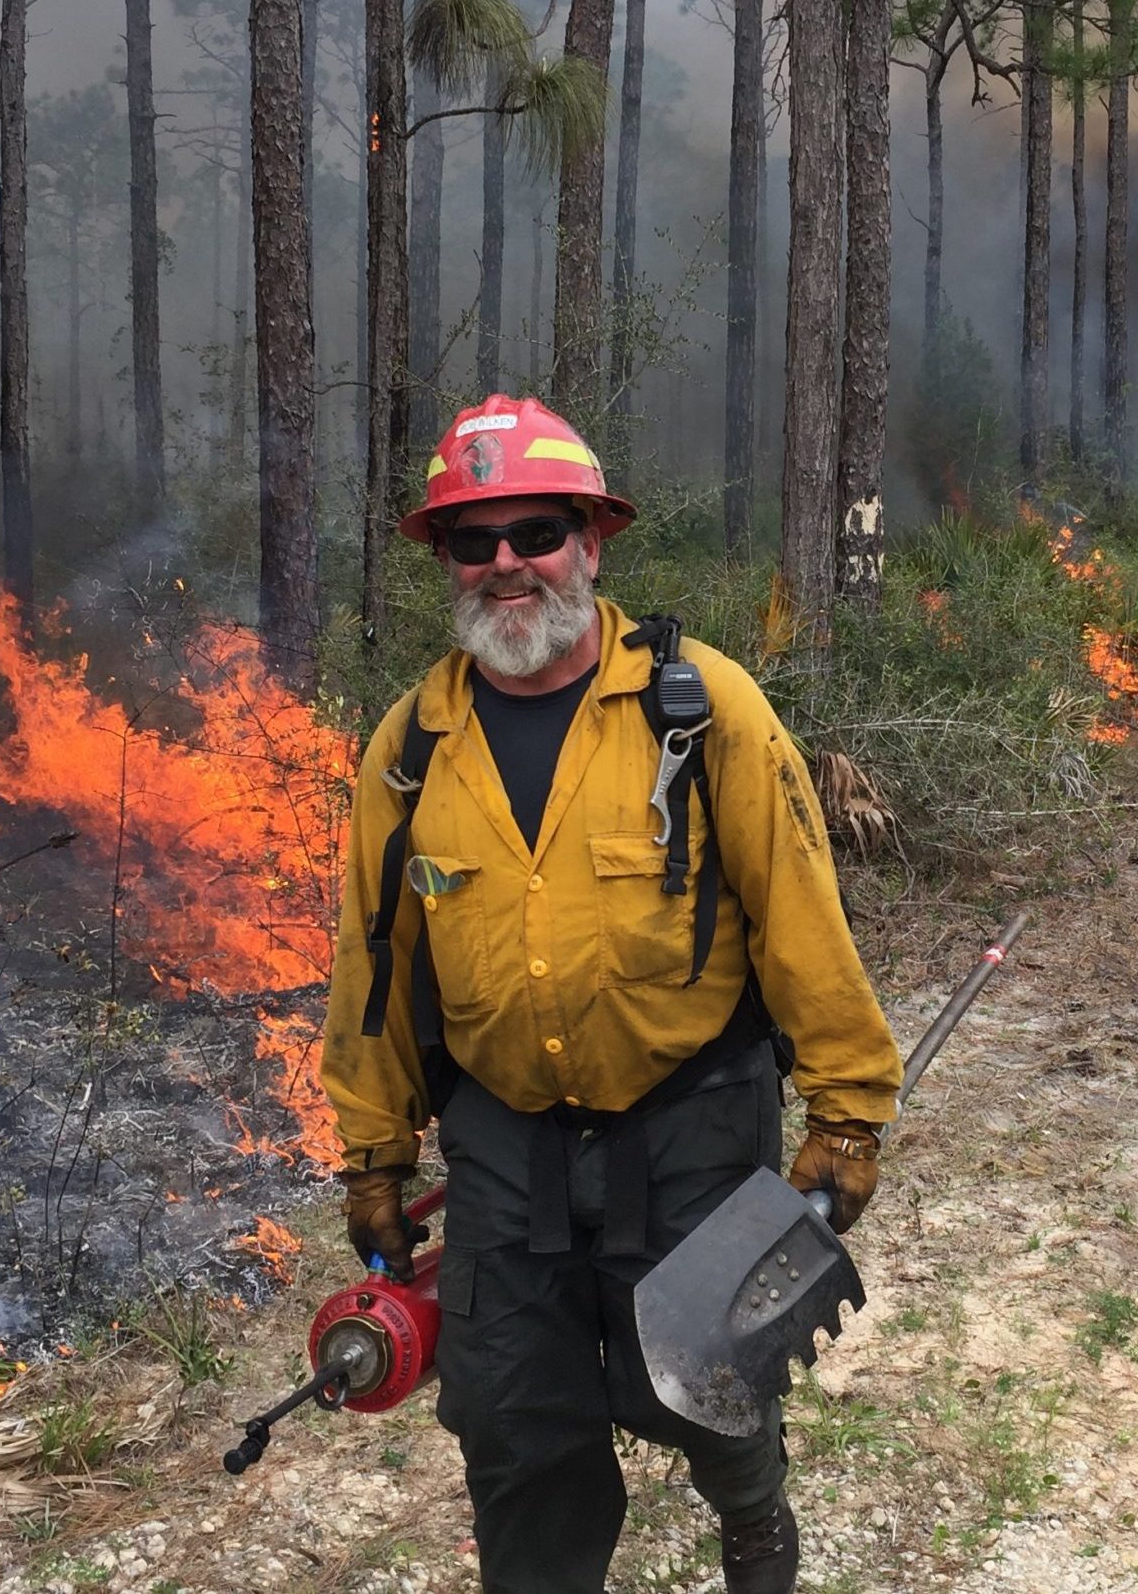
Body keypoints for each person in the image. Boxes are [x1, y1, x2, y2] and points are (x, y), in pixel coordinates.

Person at [320, 395, 902, 1594]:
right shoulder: (407, 747)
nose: (504, 565)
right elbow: (375, 965)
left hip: (688, 1118)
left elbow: (801, 917)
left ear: (592, 541)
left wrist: (846, 1113)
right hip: (499, 1140)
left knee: (707, 1385)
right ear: (444, 561)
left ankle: (752, 1517)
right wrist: (373, 1153)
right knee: (513, 1426)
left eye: (533, 530)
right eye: (470, 542)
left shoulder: (703, 708)